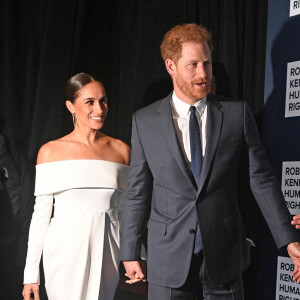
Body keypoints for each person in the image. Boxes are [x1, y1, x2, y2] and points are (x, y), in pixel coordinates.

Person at [119, 24, 300, 299]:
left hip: (224, 260)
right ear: (171, 66)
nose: (203, 73)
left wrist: (288, 238)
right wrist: (129, 251)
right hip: (168, 261)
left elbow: (261, 179)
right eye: (192, 65)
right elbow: (137, 193)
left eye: (207, 63)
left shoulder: (236, 114)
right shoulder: (144, 122)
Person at [22, 73, 130, 300]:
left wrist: (136, 255)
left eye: (103, 100)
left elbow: (126, 211)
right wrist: (31, 275)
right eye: (89, 102)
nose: (99, 109)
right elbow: (41, 217)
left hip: (107, 250)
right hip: (64, 251)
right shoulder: (50, 152)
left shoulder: (121, 150)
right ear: (71, 106)